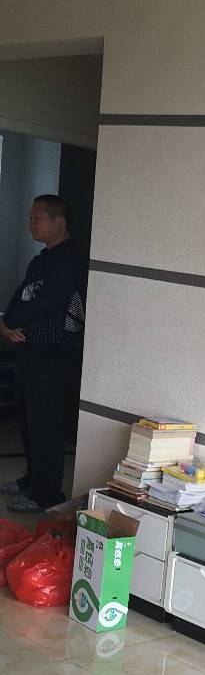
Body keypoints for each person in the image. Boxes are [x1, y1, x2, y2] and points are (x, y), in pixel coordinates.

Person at [0, 195, 86, 512]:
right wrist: (6, 323)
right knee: (27, 419)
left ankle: (46, 493)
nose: (31, 224)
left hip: (54, 353)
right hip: (29, 350)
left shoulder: (69, 260)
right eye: (30, 218)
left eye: (37, 218)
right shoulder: (42, 259)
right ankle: (32, 480)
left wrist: (12, 321)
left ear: (58, 222)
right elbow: (20, 294)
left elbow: (50, 302)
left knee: (46, 424)